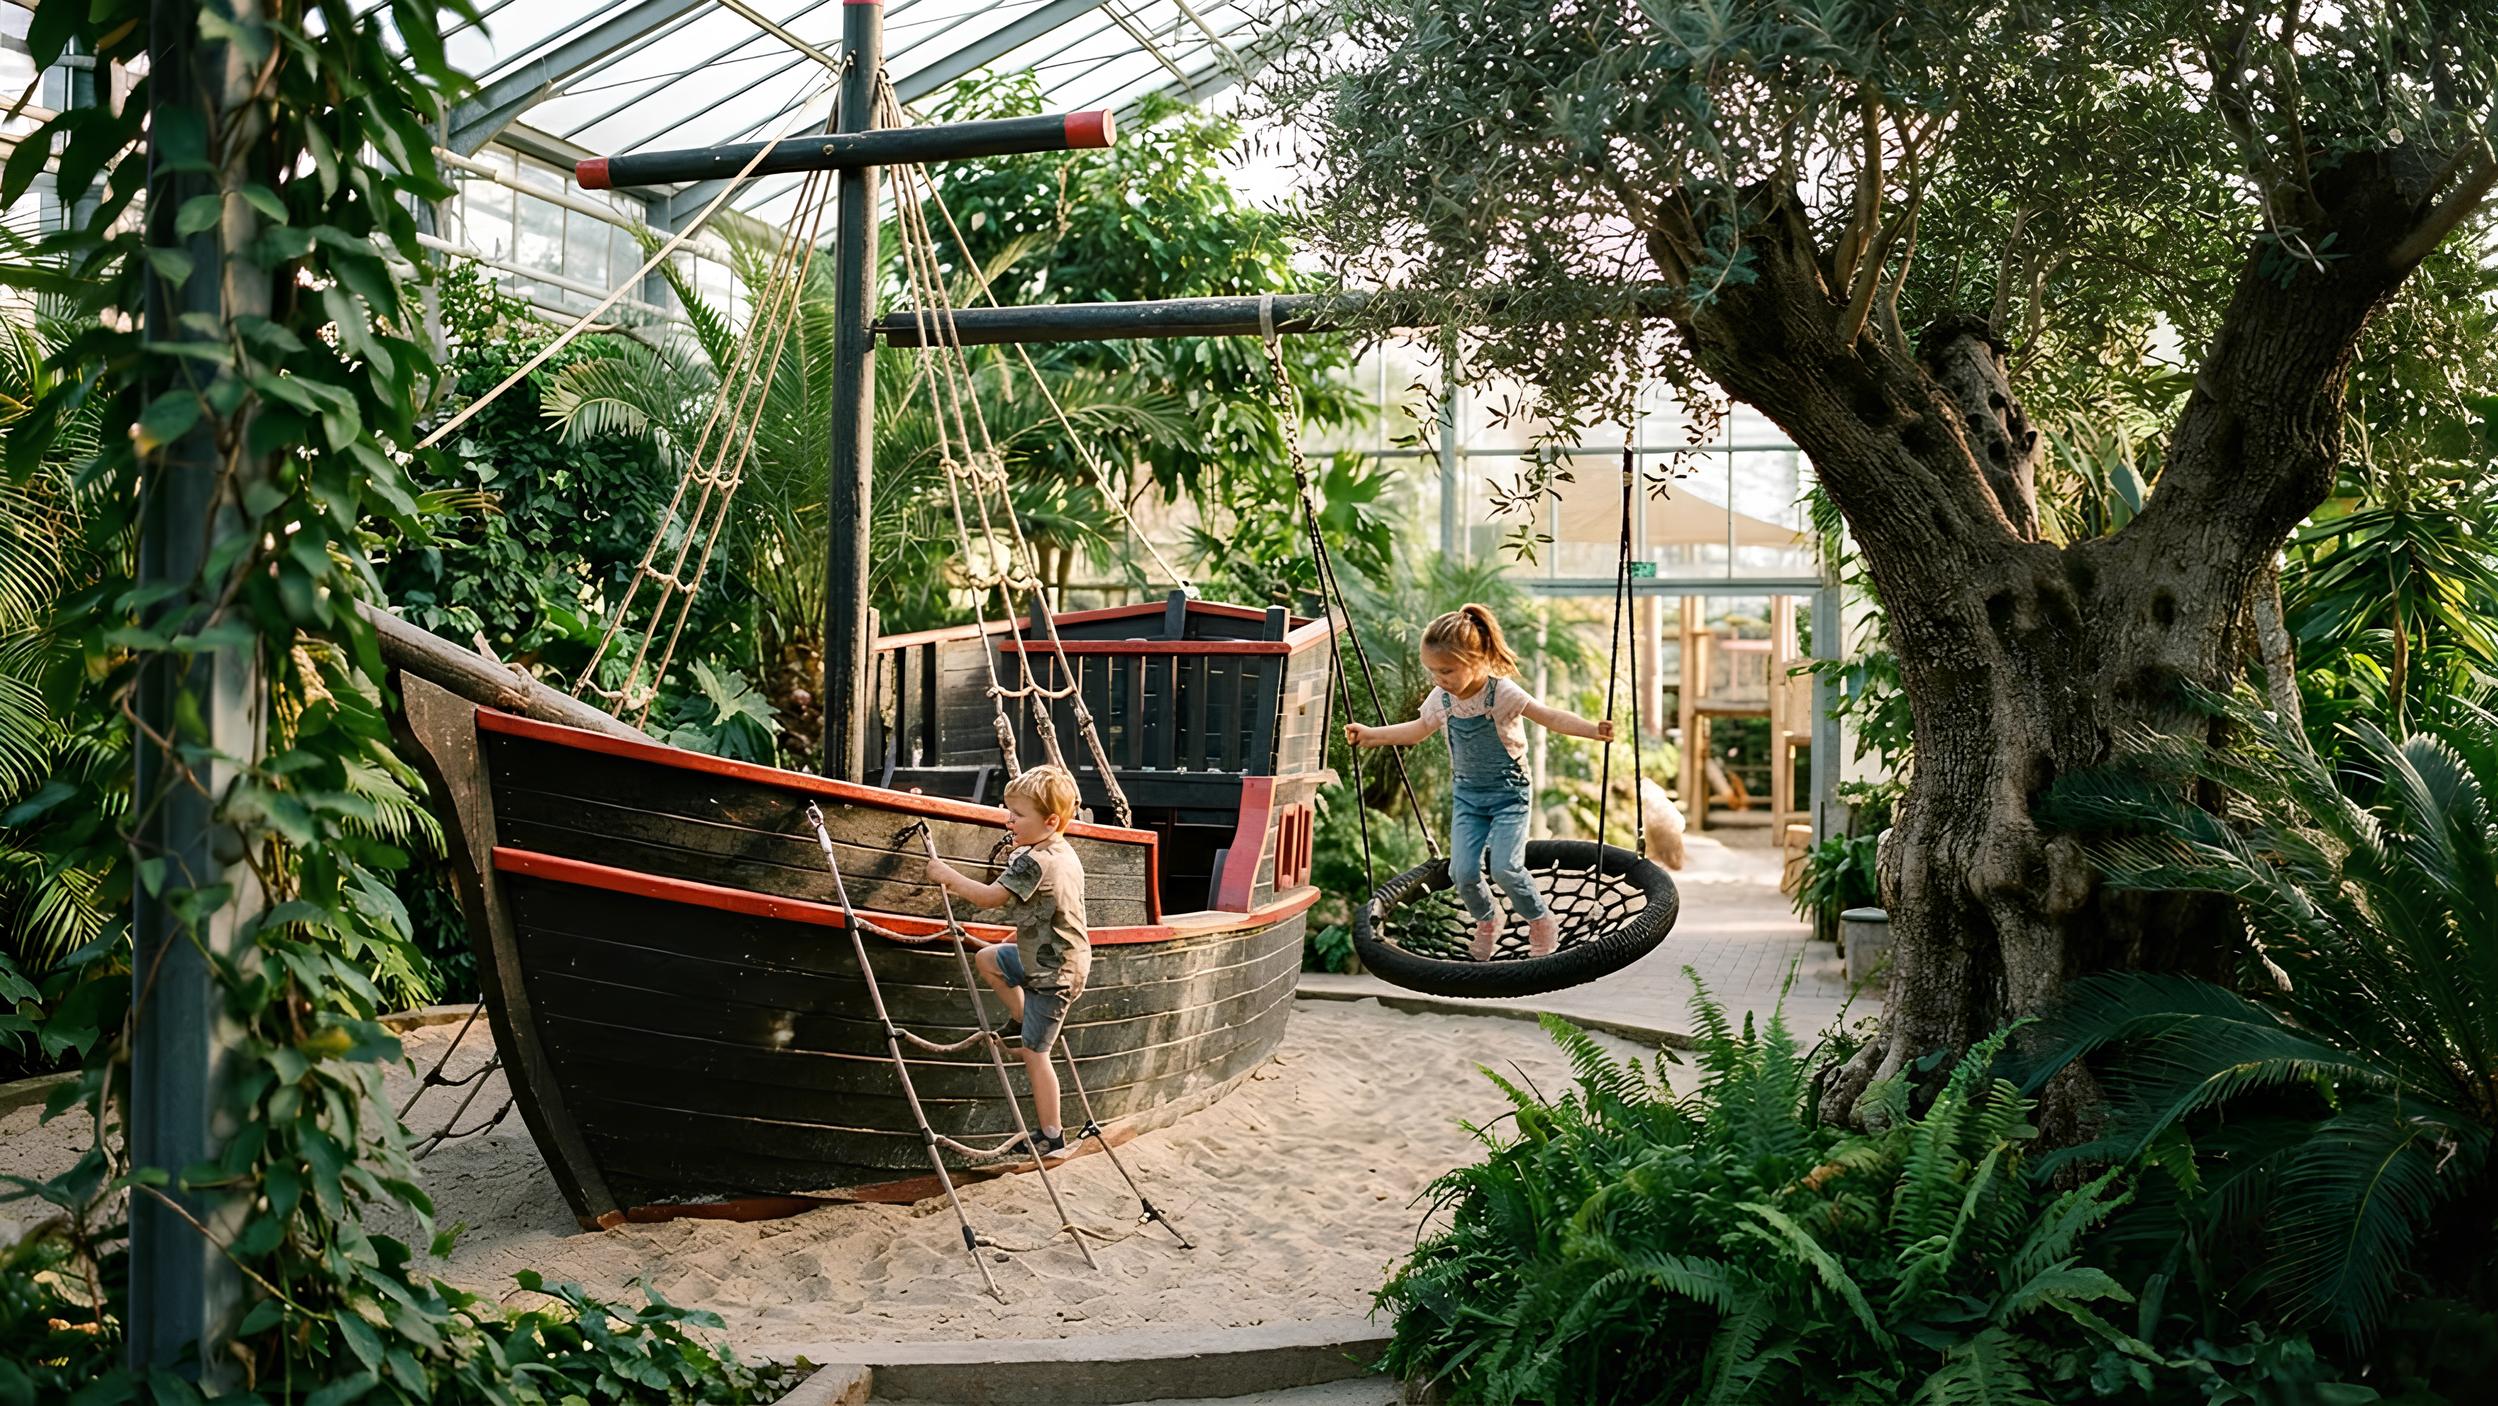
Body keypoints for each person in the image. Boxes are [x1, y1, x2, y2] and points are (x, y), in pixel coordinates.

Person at [1346, 604, 1615, 959]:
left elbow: (1549, 717)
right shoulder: (1441, 698)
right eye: (1432, 671)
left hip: (1509, 794)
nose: (1439, 679)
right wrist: (1371, 735)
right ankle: (1488, 920)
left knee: (1504, 866)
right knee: (1462, 871)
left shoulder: (1501, 693)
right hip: (1468, 796)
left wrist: (1593, 731)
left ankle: (1541, 920)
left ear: (1478, 659)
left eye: (1447, 670)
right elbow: (1417, 731)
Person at [925, 764, 1090, 1160]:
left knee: (1037, 1055)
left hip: (1055, 974)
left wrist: (945, 873)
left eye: (1017, 815)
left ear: (1050, 820)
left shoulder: (1035, 862)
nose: (1008, 819)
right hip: (1044, 958)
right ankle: (1019, 1020)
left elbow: (988, 898)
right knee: (989, 959)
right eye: (1008, 810)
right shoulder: (1060, 851)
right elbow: (1049, 911)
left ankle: (1052, 1134)